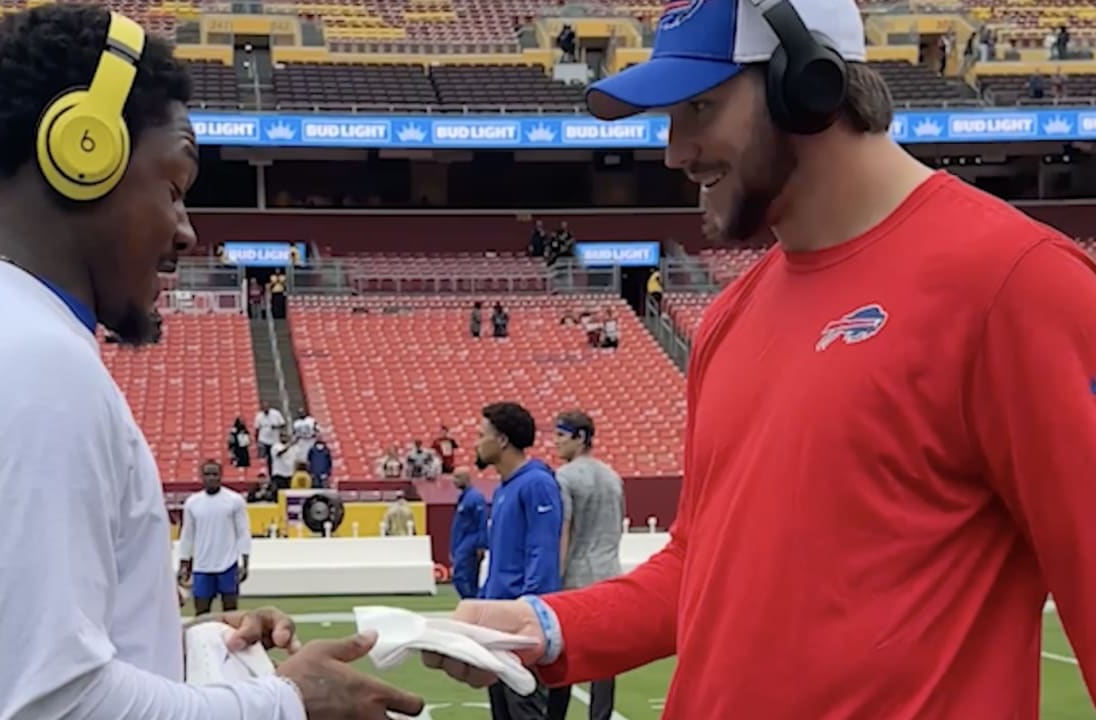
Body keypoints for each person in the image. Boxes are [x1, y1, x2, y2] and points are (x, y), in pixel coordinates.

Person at [421, 0, 1096, 716]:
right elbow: (700, 570)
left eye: (701, 108)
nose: (674, 151)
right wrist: (546, 627)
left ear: (807, 85)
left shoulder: (1014, 284)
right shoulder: (729, 318)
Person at [0, 8, 425, 719]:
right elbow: (47, 706)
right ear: (84, 152)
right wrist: (288, 703)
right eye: (172, 187)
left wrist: (180, 649)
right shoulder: (21, 364)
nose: (188, 231)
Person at [475, 402, 562, 720]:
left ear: (502, 440)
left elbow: (543, 554)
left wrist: (527, 611)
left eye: (481, 434)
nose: (476, 442)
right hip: (498, 621)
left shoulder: (536, 484)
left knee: (524, 710)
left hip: (519, 623)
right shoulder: (503, 489)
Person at [546, 411, 624, 720]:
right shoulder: (613, 477)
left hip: (576, 577)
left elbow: (564, 529)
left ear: (580, 437)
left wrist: (555, 578)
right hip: (608, 573)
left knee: (563, 658)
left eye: (561, 436)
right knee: (604, 664)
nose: (556, 442)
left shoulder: (565, 477)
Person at [179, 460, 251, 616]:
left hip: (228, 564)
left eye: (214, 474)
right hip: (202, 566)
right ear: (201, 477)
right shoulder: (192, 503)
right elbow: (188, 535)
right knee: (201, 612)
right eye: (207, 474)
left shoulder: (234, 500)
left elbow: (243, 532)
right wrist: (183, 563)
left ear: (221, 476)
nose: (211, 478)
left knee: (231, 612)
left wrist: (245, 562)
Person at [448, 467, 488, 600]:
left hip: (470, 542)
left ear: (467, 478)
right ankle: (474, 602)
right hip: (461, 542)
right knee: (468, 577)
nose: (454, 481)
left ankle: (471, 601)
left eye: (458, 477)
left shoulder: (475, 497)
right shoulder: (463, 497)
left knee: (462, 576)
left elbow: (482, 522)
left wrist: (481, 544)